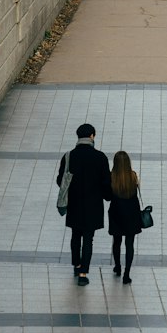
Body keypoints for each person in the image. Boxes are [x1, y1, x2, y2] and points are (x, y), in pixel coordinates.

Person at [56, 123, 112, 286]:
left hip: (74, 203)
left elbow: (61, 179)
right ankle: (83, 272)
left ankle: (76, 263)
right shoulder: (100, 157)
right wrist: (107, 196)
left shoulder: (68, 156)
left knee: (75, 234)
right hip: (93, 204)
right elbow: (105, 182)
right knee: (88, 238)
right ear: (92, 136)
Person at [108, 150, 144, 284]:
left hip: (116, 212)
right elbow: (137, 189)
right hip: (132, 213)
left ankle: (117, 266)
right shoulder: (133, 176)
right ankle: (126, 274)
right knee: (130, 243)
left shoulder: (112, 177)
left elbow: (108, 195)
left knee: (116, 241)